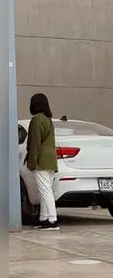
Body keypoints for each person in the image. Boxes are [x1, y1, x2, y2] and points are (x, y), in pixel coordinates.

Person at [25, 93, 59, 231]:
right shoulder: (48, 119)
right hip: (51, 161)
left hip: (41, 161)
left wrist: (31, 162)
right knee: (46, 190)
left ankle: (52, 219)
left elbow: (35, 144)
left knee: (45, 191)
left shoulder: (36, 120)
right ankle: (44, 218)